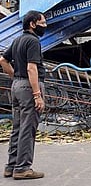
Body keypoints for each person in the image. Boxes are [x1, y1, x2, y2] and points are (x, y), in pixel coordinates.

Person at [0, 11, 46, 180]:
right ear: (33, 24)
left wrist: (15, 77)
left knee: (17, 127)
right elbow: (31, 68)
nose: (45, 26)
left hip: (17, 85)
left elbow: (3, 60)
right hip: (29, 86)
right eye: (43, 23)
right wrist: (37, 94)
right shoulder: (33, 41)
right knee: (28, 128)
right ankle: (23, 168)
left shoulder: (18, 40)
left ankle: (11, 166)